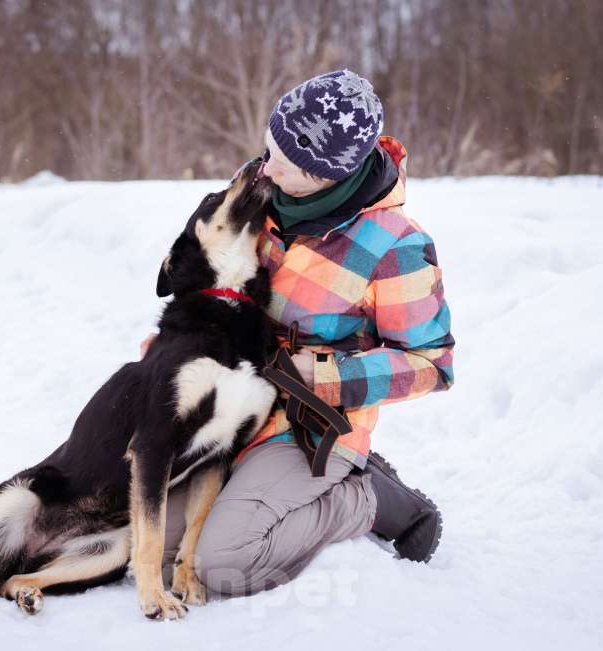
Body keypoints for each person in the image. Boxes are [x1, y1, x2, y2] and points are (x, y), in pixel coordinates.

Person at [141, 69, 455, 597]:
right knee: (151, 542)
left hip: (307, 424)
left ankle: (369, 498)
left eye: (286, 161)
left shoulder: (395, 246)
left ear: (327, 174)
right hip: (231, 402)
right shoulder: (260, 187)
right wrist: (176, 342)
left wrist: (327, 375)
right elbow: (204, 271)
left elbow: (433, 364)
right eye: (269, 146)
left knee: (223, 562)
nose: (266, 166)